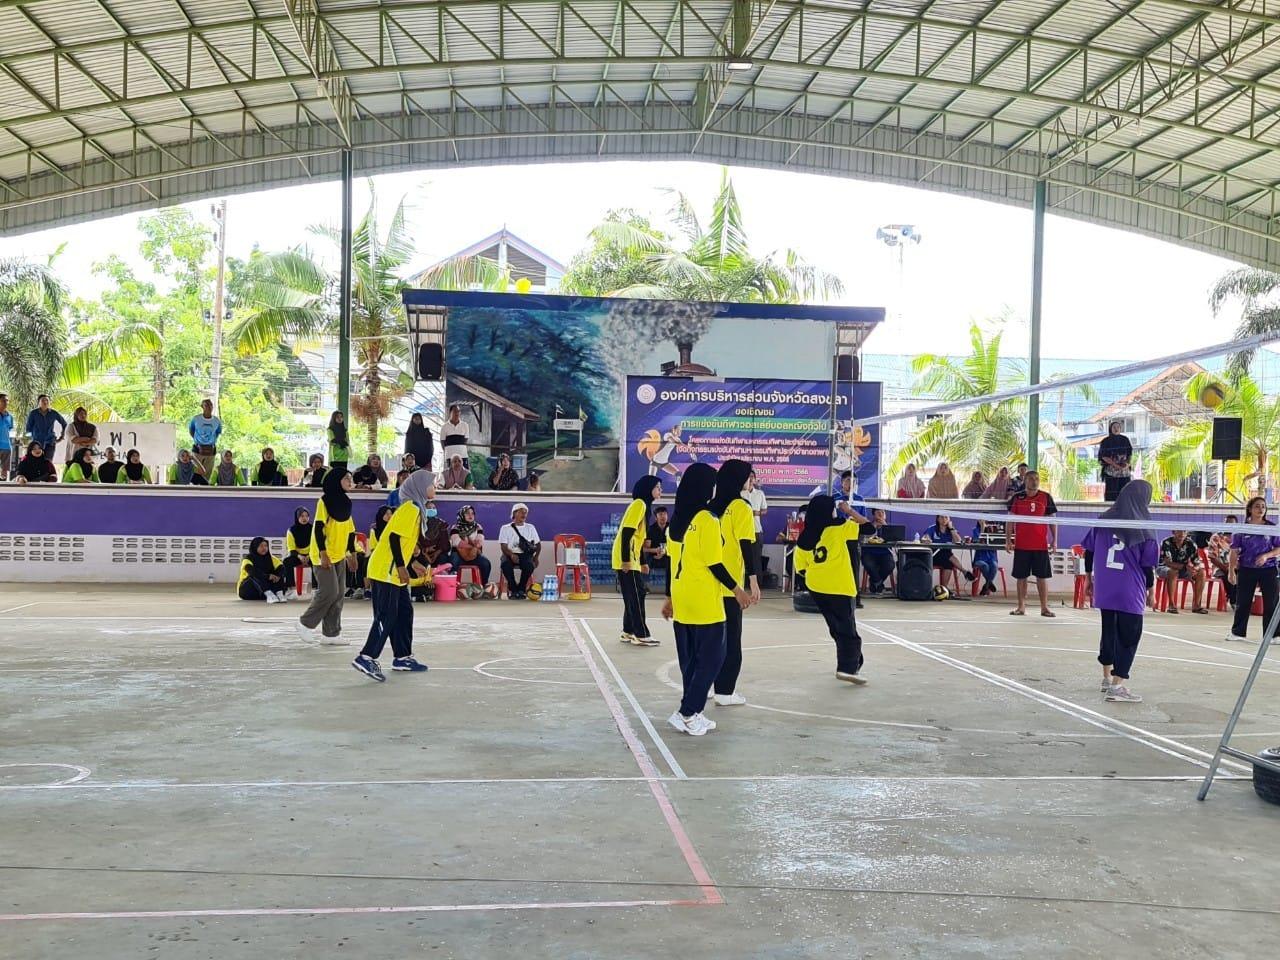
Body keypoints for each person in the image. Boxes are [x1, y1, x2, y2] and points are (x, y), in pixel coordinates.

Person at [659, 463, 751, 736]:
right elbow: (714, 563)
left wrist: (669, 598)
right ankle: (687, 713)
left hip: (682, 597)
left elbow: (672, 563)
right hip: (703, 598)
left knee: (690, 661)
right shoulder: (707, 520)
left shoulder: (676, 522)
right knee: (712, 659)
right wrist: (737, 589)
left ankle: (693, 712)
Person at [353, 470, 435, 681]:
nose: (435, 488)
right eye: (431, 484)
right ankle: (366, 656)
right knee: (387, 615)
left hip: (393, 570)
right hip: (386, 570)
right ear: (419, 487)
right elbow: (394, 539)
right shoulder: (411, 508)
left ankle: (402, 657)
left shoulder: (415, 509)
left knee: (405, 611)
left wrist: (411, 563)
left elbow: (402, 541)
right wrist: (400, 566)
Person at [1081, 480, 1158, 703]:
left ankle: (1106, 678)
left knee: (1109, 632)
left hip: (1105, 586)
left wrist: (1088, 577)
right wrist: (1151, 590)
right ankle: (1117, 686)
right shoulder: (1144, 524)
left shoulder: (1104, 519)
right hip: (1129, 589)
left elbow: (1089, 550)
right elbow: (1147, 564)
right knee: (1129, 636)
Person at [794, 494, 866, 684]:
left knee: (837, 627)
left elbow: (800, 567)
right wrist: (849, 511)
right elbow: (869, 528)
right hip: (840, 587)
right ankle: (847, 668)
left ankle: (855, 661)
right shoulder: (841, 527)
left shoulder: (805, 536)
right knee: (847, 629)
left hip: (817, 588)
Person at [710, 459, 761, 707]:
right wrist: (753, 581)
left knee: (709, 640)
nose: (750, 481)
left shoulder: (710, 507)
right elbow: (746, 546)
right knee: (731, 640)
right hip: (731, 586)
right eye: (748, 476)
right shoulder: (741, 506)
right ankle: (725, 692)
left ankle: (706, 684)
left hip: (708, 583)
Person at [296, 467, 357, 646]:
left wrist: (352, 554)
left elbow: (350, 531)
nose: (350, 482)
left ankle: (331, 634)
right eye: (346, 479)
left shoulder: (346, 503)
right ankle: (305, 623)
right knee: (329, 591)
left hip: (339, 555)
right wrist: (323, 553)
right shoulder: (324, 501)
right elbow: (318, 528)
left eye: (350, 478)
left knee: (339, 595)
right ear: (336, 480)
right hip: (323, 554)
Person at [614, 477, 662, 646]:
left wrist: (643, 562)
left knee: (634, 594)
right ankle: (641, 634)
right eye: (658, 487)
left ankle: (628, 631)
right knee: (636, 595)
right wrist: (626, 560)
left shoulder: (644, 507)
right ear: (648, 488)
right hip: (626, 558)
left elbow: (639, 538)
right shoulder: (639, 505)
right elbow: (627, 533)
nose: (660, 490)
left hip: (633, 557)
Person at [1227, 496, 1280, 643]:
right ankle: (1238, 633)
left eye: (1263, 506)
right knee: (1243, 601)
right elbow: (1234, 551)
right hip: (1246, 569)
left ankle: (1273, 635)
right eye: (1257, 506)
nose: (1261, 509)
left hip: (1268, 569)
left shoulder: (1271, 528)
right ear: (1250, 509)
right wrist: (1231, 571)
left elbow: (1278, 548)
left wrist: (1266, 556)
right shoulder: (1241, 529)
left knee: (1271, 602)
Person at [1007, 470, 1058, 617]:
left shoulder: (1046, 497)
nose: (1034, 481)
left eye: (1036, 479)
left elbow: (1053, 520)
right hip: (1021, 545)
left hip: (1040, 545)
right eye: (1031, 479)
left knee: (1042, 577)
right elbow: (1010, 520)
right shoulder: (1017, 497)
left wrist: (1055, 540)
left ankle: (1044, 608)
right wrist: (1008, 539)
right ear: (1025, 480)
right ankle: (1021, 607)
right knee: (1021, 577)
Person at [1158, 529, 1209, 614]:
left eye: (1184, 531)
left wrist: (1194, 569)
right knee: (1172, 572)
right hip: (1164, 567)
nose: (1182, 533)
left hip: (1183, 569)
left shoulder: (1191, 544)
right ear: (1173, 532)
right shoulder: (1166, 542)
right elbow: (1168, 563)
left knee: (1201, 573)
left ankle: (1196, 605)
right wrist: (1185, 567)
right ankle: (1171, 605)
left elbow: (1196, 562)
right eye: (1179, 531)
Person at [499, 502, 542, 598]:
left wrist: (536, 557)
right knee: (505, 565)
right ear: (514, 513)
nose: (524, 514)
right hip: (509, 553)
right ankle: (513, 589)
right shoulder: (505, 528)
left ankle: (522, 588)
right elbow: (503, 546)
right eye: (521, 512)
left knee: (529, 566)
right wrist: (511, 555)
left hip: (525, 554)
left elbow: (538, 545)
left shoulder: (530, 527)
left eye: (525, 512)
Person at [923, 515, 974, 589]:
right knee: (947, 554)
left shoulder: (951, 530)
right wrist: (926, 540)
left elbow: (958, 541)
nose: (944, 519)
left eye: (946, 517)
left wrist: (951, 528)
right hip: (933, 556)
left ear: (949, 519)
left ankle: (944, 588)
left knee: (949, 563)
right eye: (942, 517)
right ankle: (964, 571)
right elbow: (925, 538)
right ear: (938, 519)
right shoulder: (932, 528)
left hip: (946, 558)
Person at [238, 537, 289, 603]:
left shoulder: (271, 558)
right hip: (248, 591)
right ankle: (269, 595)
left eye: (266, 546)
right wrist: (268, 576)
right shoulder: (247, 559)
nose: (264, 548)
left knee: (278, 573)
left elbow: (282, 568)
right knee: (255, 574)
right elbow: (252, 572)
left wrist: (277, 575)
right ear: (255, 547)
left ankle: (280, 594)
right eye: (261, 546)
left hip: (263, 592)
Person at [449, 504, 491, 585]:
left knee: (486, 563)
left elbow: (479, 542)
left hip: (474, 554)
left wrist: (470, 544)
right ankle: (452, 586)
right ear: (462, 515)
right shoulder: (455, 527)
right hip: (458, 554)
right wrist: (473, 545)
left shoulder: (478, 527)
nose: (470, 515)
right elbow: (458, 543)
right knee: (453, 562)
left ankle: (483, 586)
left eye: (472, 513)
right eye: (467, 513)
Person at [861, 508, 896, 595]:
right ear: (873, 515)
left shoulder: (888, 526)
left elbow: (894, 540)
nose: (881, 514)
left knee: (890, 565)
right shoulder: (867, 525)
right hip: (869, 552)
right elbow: (864, 539)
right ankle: (879, 584)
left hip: (884, 553)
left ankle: (874, 582)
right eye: (878, 512)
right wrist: (873, 527)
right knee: (868, 564)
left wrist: (885, 526)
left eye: (883, 512)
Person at [24, 395, 65, 469]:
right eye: (43, 400)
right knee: (36, 463)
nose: (45, 402)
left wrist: (62, 436)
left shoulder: (53, 413)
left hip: (50, 441)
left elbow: (64, 423)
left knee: (48, 462)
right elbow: (28, 428)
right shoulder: (33, 413)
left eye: (47, 400)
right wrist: (30, 440)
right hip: (37, 443)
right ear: (39, 402)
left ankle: (47, 476)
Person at [1098, 420, 1133, 502]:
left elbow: (1129, 454)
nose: (1116, 429)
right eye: (1114, 427)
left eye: (1118, 427)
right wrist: (1115, 465)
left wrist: (1127, 464)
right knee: (1112, 494)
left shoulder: (1125, 439)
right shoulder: (1106, 441)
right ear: (1110, 429)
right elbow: (1103, 456)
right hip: (1111, 472)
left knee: (1125, 493)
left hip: (1124, 472)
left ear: (1120, 429)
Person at [1208, 518, 1239, 608]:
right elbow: (1212, 558)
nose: (1229, 526)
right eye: (1227, 523)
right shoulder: (1216, 537)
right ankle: (1234, 601)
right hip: (1220, 568)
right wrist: (1226, 568)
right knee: (1230, 575)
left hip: (1236, 567)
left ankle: (1237, 600)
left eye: (1232, 524)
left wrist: (1234, 567)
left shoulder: (1239, 537)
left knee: (1245, 575)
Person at [281, 506, 313, 592]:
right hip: (297, 556)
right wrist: (300, 556)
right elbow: (291, 549)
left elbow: (316, 546)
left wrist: (309, 556)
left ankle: (315, 588)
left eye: (306, 516)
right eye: (302, 516)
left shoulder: (313, 529)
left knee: (317, 562)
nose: (304, 518)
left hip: (311, 555)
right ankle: (290, 588)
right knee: (287, 562)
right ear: (297, 517)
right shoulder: (291, 530)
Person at [187, 399, 222, 478]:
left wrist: (210, 441)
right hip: (197, 449)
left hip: (211, 450)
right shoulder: (196, 419)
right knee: (196, 472)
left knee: (208, 474)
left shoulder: (216, 420)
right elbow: (191, 430)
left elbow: (218, 432)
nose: (209, 407)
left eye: (210, 405)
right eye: (206, 405)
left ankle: (206, 485)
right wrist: (198, 440)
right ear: (202, 407)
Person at [744, 470, 768, 577]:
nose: (750, 479)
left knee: (756, 559)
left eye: (752, 477)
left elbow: (765, 510)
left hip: (756, 530)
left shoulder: (759, 493)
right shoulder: (740, 493)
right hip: (743, 531)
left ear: (755, 479)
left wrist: (756, 513)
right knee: (741, 558)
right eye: (748, 477)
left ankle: (758, 582)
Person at [644, 505, 671, 596]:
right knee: (645, 560)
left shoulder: (671, 528)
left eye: (665, 514)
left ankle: (670, 588)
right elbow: (645, 548)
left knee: (673, 561)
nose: (663, 516)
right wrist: (656, 550)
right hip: (653, 555)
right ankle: (644, 586)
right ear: (656, 517)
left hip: (667, 554)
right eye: (660, 514)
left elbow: (676, 545)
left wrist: (664, 552)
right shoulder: (651, 529)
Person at [971, 520, 1000, 596]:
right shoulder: (975, 530)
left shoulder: (993, 529)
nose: (983, 521)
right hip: (980, 558)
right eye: (981, 519)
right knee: (985, 565)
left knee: (994, 565)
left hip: (991, 557)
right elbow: (978, 542)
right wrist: (982, 529)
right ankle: (989, 583)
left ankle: (986, 585)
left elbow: (996, 543)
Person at [0, 393, 12, 480]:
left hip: (6, 446)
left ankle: (4, 485)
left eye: (7, 400)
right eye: (3, 400)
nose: (6, 402)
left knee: (4, 471)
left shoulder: (10, 416)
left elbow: (9, 429)